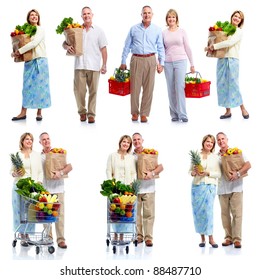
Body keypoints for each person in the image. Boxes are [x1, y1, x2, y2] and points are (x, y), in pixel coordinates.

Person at [119, 6, 165, 123]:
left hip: (151, 59)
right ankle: (135, 112)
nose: (147, 15)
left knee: (149, 88)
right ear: (141, 14)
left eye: (149, 13)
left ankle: (144, 113)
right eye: (145, 13)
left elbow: (160, 48)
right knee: (134, 87)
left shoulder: (157, 30)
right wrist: (123, 61)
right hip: (136, 59)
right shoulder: (133, 29)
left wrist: (161, 64)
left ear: (152, 14)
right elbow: (127, 46)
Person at [63, 6, 108, 123]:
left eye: (88, 13)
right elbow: (64, 43)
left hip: (94, 66)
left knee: (94, 91)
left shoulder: (99, 31)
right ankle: (82, 112)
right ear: (81, 16)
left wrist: (104, 65)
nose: (86, 15)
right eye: (84, 14)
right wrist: (67, 47)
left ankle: (91, 114)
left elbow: (103, 49)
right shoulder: (76, 30)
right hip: (79, 65)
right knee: (79, 91)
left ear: (92, 15)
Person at [206, 10, 249, 119]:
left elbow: (229, 43)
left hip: (232, 59)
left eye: (239, 17)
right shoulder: (225, 29)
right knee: (222, 85)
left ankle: (243, 108)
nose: (236, 18)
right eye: (235, 16)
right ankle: (228, 111)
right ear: (232, 17)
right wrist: (211, 45)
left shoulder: (239, 31)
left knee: (233, 84)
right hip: (222, 59)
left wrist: (214, 47)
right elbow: (218, 39)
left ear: (241, 21)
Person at [11, 9, 51, 121]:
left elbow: (34, 43)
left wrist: (19, 51)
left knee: (41, 87)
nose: (34, 16)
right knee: (26, 87)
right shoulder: (26, 32)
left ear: (38, 18)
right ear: (28, 18)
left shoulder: (40, 29)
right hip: (29, 61)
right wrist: (14, 52)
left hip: (40, 60)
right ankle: (23, 112)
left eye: (36, 15)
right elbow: (21, 43)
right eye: (32, 15)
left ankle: (39, 112)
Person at [216, 132, 251, 248]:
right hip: (222, 189)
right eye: (219, 140)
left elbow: (248, 164)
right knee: (225, 215)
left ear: (227, 139)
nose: (221, 141)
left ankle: (237, 239)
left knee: (237, 214)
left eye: (223, 139)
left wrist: (238, 173)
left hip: (236, 187)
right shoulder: (216, 156)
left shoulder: (236, 152)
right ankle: (228, 237)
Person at [39, 132, 72, 249]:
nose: (46, 141)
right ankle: (48, 237)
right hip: (45, 190)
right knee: (46, 215)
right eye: (43, 140)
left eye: (48, 139)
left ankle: (61, 240)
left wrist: (61, 172)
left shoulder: (58, 153)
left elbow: (70, 166)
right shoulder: (39, 156)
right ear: (40, 143)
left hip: (58, 188)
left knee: (60, 215)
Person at [11, 132, 43, 246]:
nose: (29, 141)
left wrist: (39, 182)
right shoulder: (17, 155)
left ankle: (28, 234)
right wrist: (15, 173)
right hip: (18, 186)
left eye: (31, 139)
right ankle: (21, 234)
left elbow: (40, 171)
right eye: (27, 139)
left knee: (30, 211)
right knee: (19, 210)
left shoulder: (36, 155)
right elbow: (12, 171)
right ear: (22, 142)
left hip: (31, 187)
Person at [163, 9, 195, 122]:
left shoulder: (182, 31)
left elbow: (188, 47)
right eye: (169, 17)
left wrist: (192, 64)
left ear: (177, 19)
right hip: (167, 62)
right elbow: (161, 49)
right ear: (167, 19)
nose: (171, 19)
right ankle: (174, 115)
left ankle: (183, 114)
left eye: (173, 17)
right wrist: (160, 63)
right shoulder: (164, 33)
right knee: (170, 88)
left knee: (180, 87)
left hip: (181, 61)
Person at [132, 132, 163, 246]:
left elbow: (161, 167)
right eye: (134, 140)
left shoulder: (149, 153)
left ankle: (148, 237)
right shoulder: (131, 155)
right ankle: (139, 236)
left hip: (149, 188)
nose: (137, 142)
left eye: (138, 139)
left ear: (142, 140)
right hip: (134, 189)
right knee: (136, 214)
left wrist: (152, 173)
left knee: (149, 214)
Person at [189, 134, 221, 248]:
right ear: (203, 142)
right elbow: (190, 172)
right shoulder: (196, 155)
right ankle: (202, 238)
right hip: (197, 187)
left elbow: (219, 174)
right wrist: (194, 172)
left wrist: (208, 173)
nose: (209, 144)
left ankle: (211, 237)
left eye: (212, 142)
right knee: (198, 212)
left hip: (209, 186)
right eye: (208, 141)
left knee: (208, 212)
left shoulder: (216, 157)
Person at [106, 135, 136, 243]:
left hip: (127, 189)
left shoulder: (131, 157)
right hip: (115, 189)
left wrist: (131, 185)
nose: (126, 144)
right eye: (124, 141)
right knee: (115, 212)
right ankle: (114, 235)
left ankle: (122, 236)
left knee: (124, 213)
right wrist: (112, 184)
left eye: (128, 143)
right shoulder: (112, 156)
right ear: (120, 142)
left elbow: (133, 173)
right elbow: (108, 171)